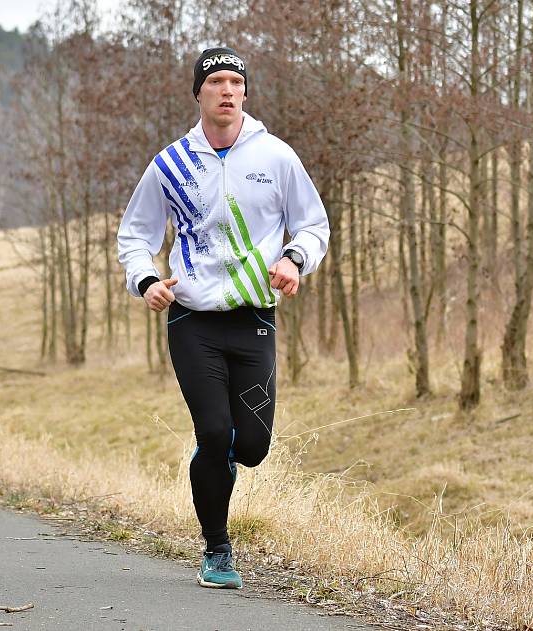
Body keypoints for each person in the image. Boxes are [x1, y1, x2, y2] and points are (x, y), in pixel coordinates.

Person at [117, 46, 329, 589]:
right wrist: (146, 280)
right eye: (216, 82)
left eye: (236, 82)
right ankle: (217, 550)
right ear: (199, 93)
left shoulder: (277, 157)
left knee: (251, 447)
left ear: (245, 93)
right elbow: (135, 236)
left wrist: (294, 258)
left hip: (253, 316)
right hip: (193, 319)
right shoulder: (170, 164)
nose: (227, 91)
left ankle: (217, 459)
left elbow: (313, 225)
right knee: (215, 433)